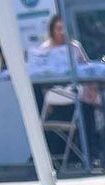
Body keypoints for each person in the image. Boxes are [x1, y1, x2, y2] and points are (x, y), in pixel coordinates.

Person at [36, 13, 100, 162]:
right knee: (57, 120)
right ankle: (60, 157)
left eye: (64, 28)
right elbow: (42, 76)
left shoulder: (75, 46)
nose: (61, 32)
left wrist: (92, 90)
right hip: (56, 97)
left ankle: (89, 154)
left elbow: (86, 68)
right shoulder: (45, 49)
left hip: (77, 94)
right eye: (58, 28)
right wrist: (47, 99)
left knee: (87, 112)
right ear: (52, 30)